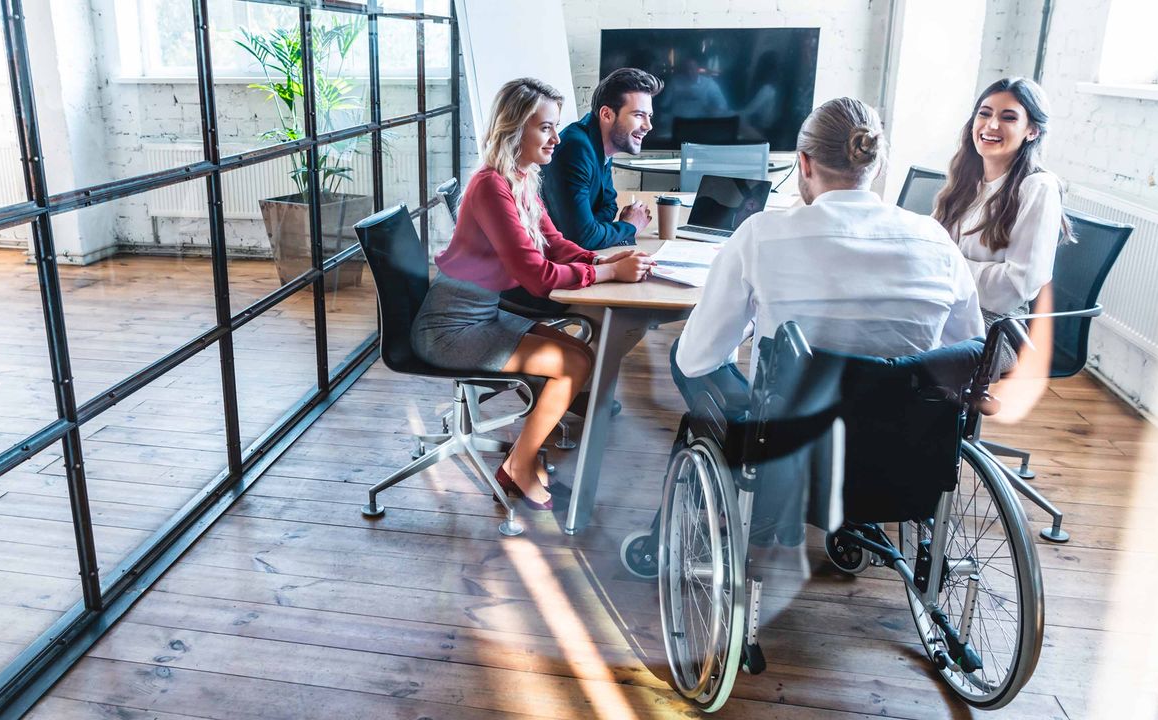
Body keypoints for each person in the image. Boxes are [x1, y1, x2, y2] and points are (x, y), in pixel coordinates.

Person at [411, 78, 653, 509]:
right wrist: (610, 271)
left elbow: (554, 242)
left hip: (481, 314)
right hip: (453, 326)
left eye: (555, 127)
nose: (556, 138)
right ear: (513, 128)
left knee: (584, 358)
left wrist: (599, 262)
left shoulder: (521, 179)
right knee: (570, 364)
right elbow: (538, 276)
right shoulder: (490, 186)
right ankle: (518, 468)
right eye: (545, 128)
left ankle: (523, 457)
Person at [675, 97, 984, 394]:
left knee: (686, 351)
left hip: (789, 438)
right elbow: (969, 353)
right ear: (876, 167)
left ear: (804, 163)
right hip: (907, 438)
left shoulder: (760, 234)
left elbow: (696, 360)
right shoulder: (935, 239)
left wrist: (752, 324)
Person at [935, 77, 1071, 372]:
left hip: (996, 328)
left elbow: (1013, 288)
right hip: (947, 307)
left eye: (1008, 117)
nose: (992, 125)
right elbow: (931, 247)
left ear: (1032, 131)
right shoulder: (966, 180)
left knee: (902, 348)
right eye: (984, 113)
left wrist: (947, 267)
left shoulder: (1038, 187)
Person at [538, 67, 663, 251]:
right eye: (638, 115)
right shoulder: (577, 148)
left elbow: (609, 204)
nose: (648, 126)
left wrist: (595, 229)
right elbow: (583, 238)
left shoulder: (601, 143)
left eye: (649, 116)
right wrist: (629, 227)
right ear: (606, 114)